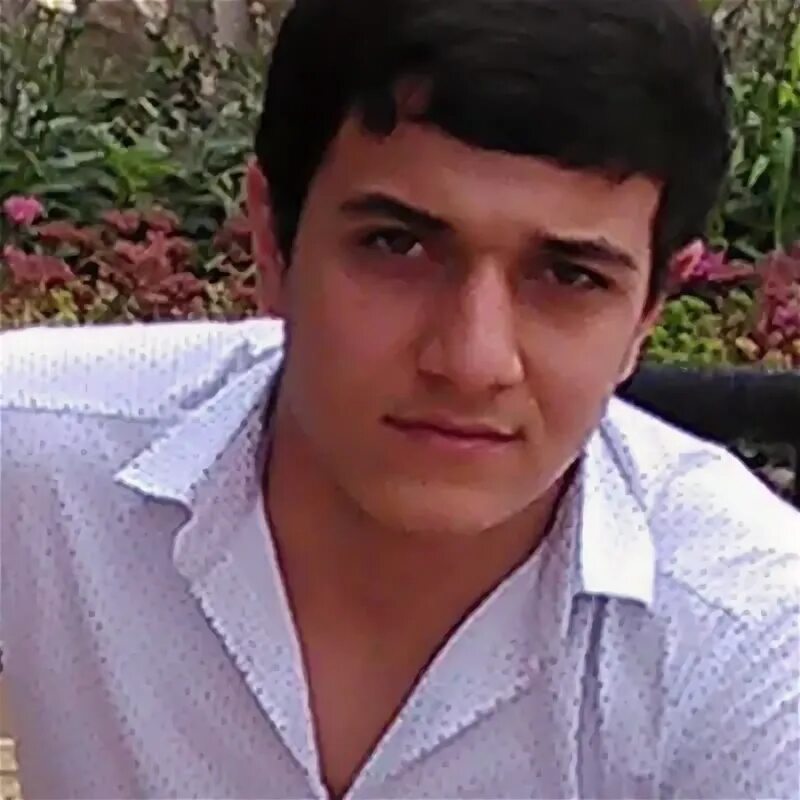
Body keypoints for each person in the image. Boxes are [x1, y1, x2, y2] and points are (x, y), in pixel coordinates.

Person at [1, 0, 798, 797]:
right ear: (273, 241)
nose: (473, 361)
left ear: (650, 309)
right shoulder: (45, 459)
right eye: (397, 245)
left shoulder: (749, 635)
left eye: (569, 276)